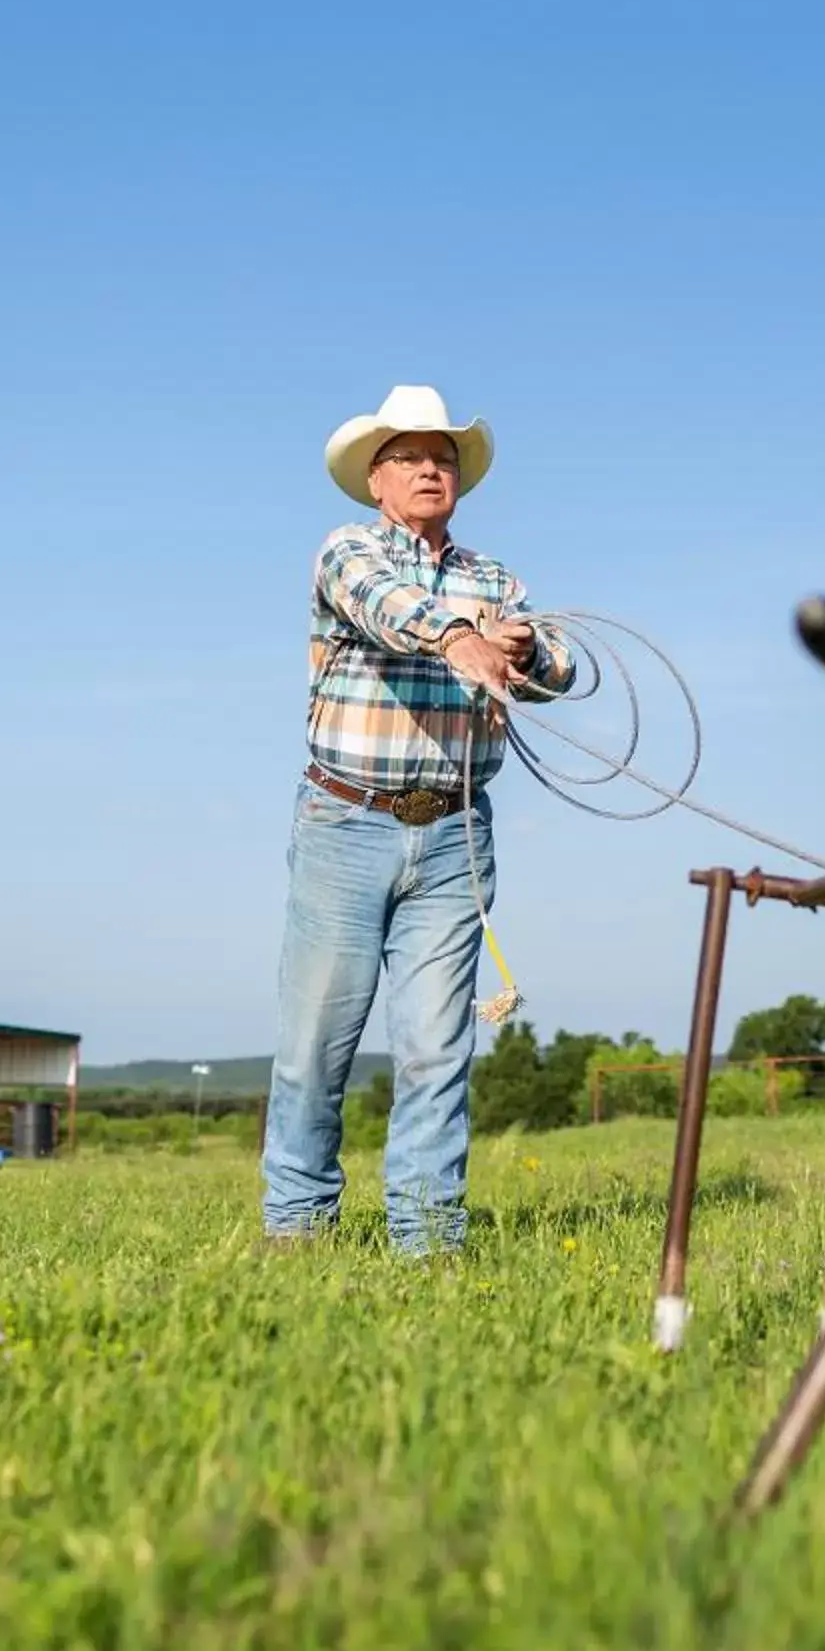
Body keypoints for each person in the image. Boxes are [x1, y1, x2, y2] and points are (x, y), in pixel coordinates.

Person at [260, 383, 575, 1254]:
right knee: (316, 1045)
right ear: (376, 480)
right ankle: (297, 1229)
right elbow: (386, 606)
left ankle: (430, 1239)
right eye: (410, 458)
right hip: (346, 824)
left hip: (453, 837)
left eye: (443, 459)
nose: (430, 470)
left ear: (459, 481)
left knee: (439, 1049)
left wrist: (529, 650)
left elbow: (561, 668)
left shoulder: (495, 578)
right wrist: (458, 636)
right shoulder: (349, 551)